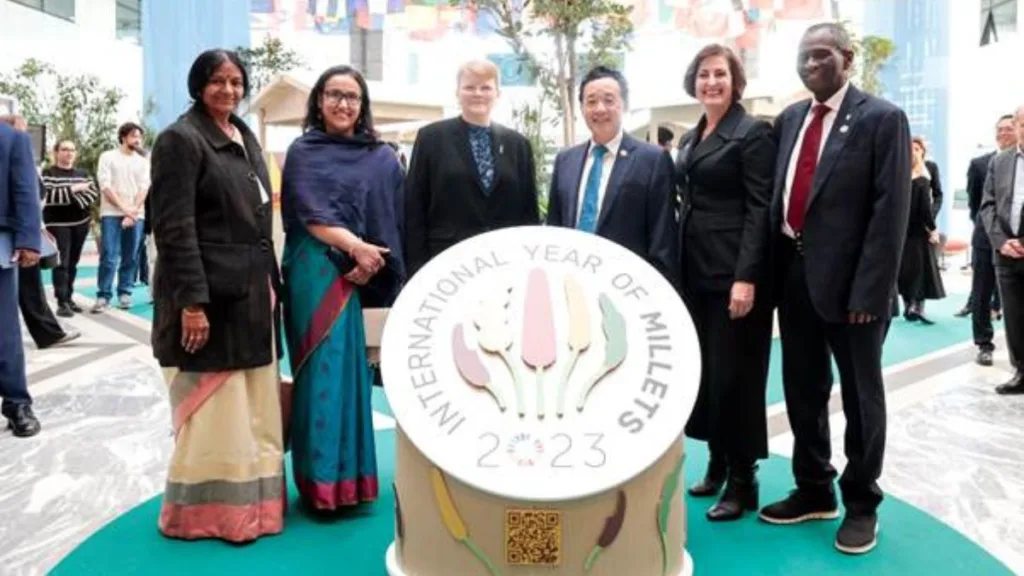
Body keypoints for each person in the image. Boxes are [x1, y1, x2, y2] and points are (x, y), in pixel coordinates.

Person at [759, 23, 911, 556]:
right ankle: (814, 489)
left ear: (847, 58)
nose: (810, 65)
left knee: (861, 398)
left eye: (821, 55)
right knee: (802, 390)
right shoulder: (791, 119)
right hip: (794, 279)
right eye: (803, 56)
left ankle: (862, 503)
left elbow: (889, 212)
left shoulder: (881, 119)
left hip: (854, 291)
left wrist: (871, 293)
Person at [149, 49, 285, 542]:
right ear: (197, 84)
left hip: (252, 298)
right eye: (217, 81)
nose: (228, 90)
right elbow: (174, 228)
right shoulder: (179, 141)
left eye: (235, 82)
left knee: (254, 411)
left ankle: (259, 511)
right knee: (216, 417)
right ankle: (205, 517)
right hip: (209, 303)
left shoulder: (243, 136)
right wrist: (191, 304)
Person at [280, 65, 404, 511]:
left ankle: (351, 483)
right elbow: (308, 214)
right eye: (334, 94)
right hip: (315, 272)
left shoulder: (379, 155)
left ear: (362, 104)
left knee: (352, 373)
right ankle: (321, 484)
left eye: (352, 96)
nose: (343, 104)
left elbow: (392, 215)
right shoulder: (303, 151)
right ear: (318, 100)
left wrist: (375, 258)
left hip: (362, 273)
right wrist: (356, 248)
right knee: (321, 372)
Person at [674, 45, 774, 521]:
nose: (711, 81)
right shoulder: (691, 137)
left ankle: (743, 478)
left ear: (736, 82)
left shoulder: (752, 133)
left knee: (738, 377)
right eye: (703, 73)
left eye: (720, 74)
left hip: (733, 274)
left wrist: (746, 277)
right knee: (709, 373)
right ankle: (716, 460)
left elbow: (760, 208)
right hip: (694, 271)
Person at [404, 59, 537, 278]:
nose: (478, 93)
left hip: (504, 263)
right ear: (457, 92)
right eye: (470, 87)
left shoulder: (517, 144)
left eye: (486, 87)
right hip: (446, 262)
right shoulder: (431, 138)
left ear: (497, 93)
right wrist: (417, 269)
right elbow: (415, 207)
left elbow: (528, 212)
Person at [546, 65, 676, 279]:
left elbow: (662, 237)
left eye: (608, 100)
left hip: (626, 283)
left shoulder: (652, 160)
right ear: (581, 108)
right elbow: (555, 226)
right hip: (571, 279)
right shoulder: (565, 160)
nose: (599, 109)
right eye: (591, 101)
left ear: (624, 105)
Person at [0, 117, 43, 438]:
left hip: (0, 244)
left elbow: (26, 187)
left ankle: (16, 402)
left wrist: (28, 239)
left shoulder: (13, 138)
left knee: (5, 330)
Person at [978, 104, 1024, 396]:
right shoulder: (1001, 162)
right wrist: (1001, 241)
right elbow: (987, 204)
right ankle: (1021, 371)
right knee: (1015, 316)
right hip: (1005, 252)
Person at [966, 114, 1015, 364]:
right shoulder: (980, 164)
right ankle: (983, 343)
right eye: (1000, 129)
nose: (1004, 133)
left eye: (1010, 128)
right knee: (981, 292)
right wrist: (995, 233)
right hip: (986, 240)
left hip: (1018, 243)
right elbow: (977, 206)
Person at [93, 122, 149, 312]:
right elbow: (105, 185)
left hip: (136, 215)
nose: (138, 140)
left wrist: (133, 211)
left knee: (131, 255)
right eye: (134, 136)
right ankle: (103, 295)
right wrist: (125, 209)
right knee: (109, 254)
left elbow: (144, 188)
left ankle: (125, 292)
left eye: (140, 136)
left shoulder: (142, 162)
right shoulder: (108, 157)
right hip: (111, 213)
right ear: (123, 137)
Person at [41, 139, 98, 316]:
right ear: (56, 152)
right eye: (65, 149)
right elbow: (48, 197)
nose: (69, 153)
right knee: (62, 263)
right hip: (58, 224)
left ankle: (69, 298)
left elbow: (92, 194)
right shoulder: (48, 173)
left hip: (80, 223)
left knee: (73, 263)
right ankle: (61, 301)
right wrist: (74, 189)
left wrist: (68, 195)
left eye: (72, 150)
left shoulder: (83, 173)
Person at [897, 136, 946, 323]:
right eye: (911, 148)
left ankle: (917, 305)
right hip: (903, 226)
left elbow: (936, 196)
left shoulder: (929, 169)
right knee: (905, 268)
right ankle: (909, 304)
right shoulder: (900, 168)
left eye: (917, 148)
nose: (914, 152)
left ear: (923, 150)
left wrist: (931, 222)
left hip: (921, 225)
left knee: (921, 267)